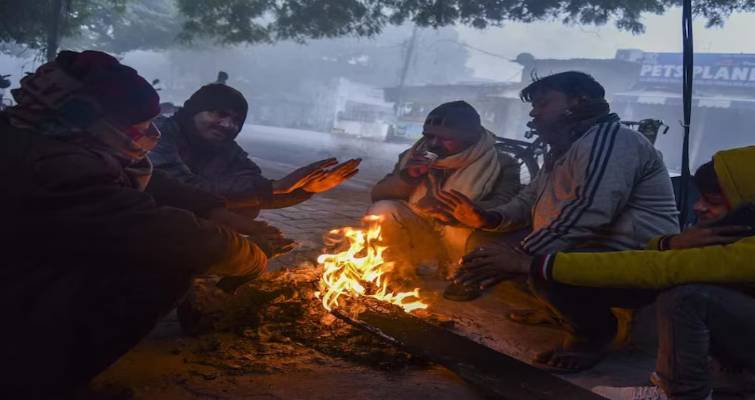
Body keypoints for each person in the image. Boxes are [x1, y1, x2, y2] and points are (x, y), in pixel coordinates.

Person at [458, 143, 755, 400]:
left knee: (689, 294)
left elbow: (659, 269)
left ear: (753, 204)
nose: (698, 209)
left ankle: (675, 392)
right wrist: (668, 243)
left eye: (712, 202)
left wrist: (532, 263)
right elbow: (667, 257)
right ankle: (735, 376)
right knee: (702, 280)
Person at [0, 50, 287, 396]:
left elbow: (162, 187)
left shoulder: (38, 135)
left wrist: (222, 213)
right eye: (137, 126)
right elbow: (162, 229)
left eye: (235, 120)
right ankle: (41, 383)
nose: (147, 134)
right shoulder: (50, 167)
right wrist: (247, 256)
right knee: (165, 263)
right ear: (89, 117)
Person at [434, 71, 680, 369]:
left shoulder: (610, 140)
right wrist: (486, 217)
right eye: (533, 107)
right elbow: (528, 201)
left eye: (543, 104)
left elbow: (590, 211)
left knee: (540, 267)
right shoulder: (564, 149)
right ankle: (557, 310)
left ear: (578, 101)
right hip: (582, 248)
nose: (534, 113)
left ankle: (592, 335)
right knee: (485, 243)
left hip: (630, 260)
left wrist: (519, 255)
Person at [149, 83, 361, 218]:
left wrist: (308, 188)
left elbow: (258, 192)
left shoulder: (227, 150)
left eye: (236, 120)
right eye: (218, 114)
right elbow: (181, 188)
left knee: (247, 208)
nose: (226, 125)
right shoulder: (158, 133)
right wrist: (278, 186)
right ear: (193, 111)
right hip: (142, 215)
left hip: (187, 217)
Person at [369, 101, 521, 284]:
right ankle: (396, 269)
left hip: (462, 232)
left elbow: (504, 207)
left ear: (469, 139)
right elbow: (378, 195)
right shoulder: (413, 156)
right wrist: (408, 177)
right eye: (429, 136)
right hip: (420, 226)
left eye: (445, 139)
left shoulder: (501, 163)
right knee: (383, 209)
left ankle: (457, 272)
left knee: (470, 234)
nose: (433, 144)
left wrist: (463, 212)